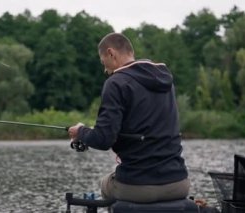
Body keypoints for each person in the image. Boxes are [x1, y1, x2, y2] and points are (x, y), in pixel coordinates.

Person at [68, 32, 190, 203]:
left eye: (104, 63)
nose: (105, 70)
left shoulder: (116, 83)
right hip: (179, 183)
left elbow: (103, 140)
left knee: (104, 183)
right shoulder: (164, 79)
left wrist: (80, 131)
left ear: (111, 53)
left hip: (138, 186)